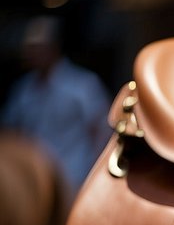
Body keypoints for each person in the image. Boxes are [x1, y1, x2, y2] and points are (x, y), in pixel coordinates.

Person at [2, 16, 110, 196]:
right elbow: (12, 133)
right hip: (35, 184)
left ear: (53, 47)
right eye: (29, 48)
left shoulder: (82, 85)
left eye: (37, 47)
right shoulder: (24, 90)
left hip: (74, 180)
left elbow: (101, 132)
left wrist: (96, 179)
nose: (32, 54)